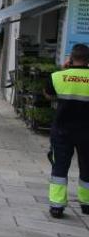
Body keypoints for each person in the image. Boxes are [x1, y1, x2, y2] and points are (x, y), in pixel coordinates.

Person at [45, 43, 89, 219]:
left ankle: (57, 206)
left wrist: (64, 70)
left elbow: (48, 95)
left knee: (60, 167)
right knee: (87, 167)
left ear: (71, 58)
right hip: (87, 132)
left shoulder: (58, 76)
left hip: (62, 131)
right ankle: (86, 204)